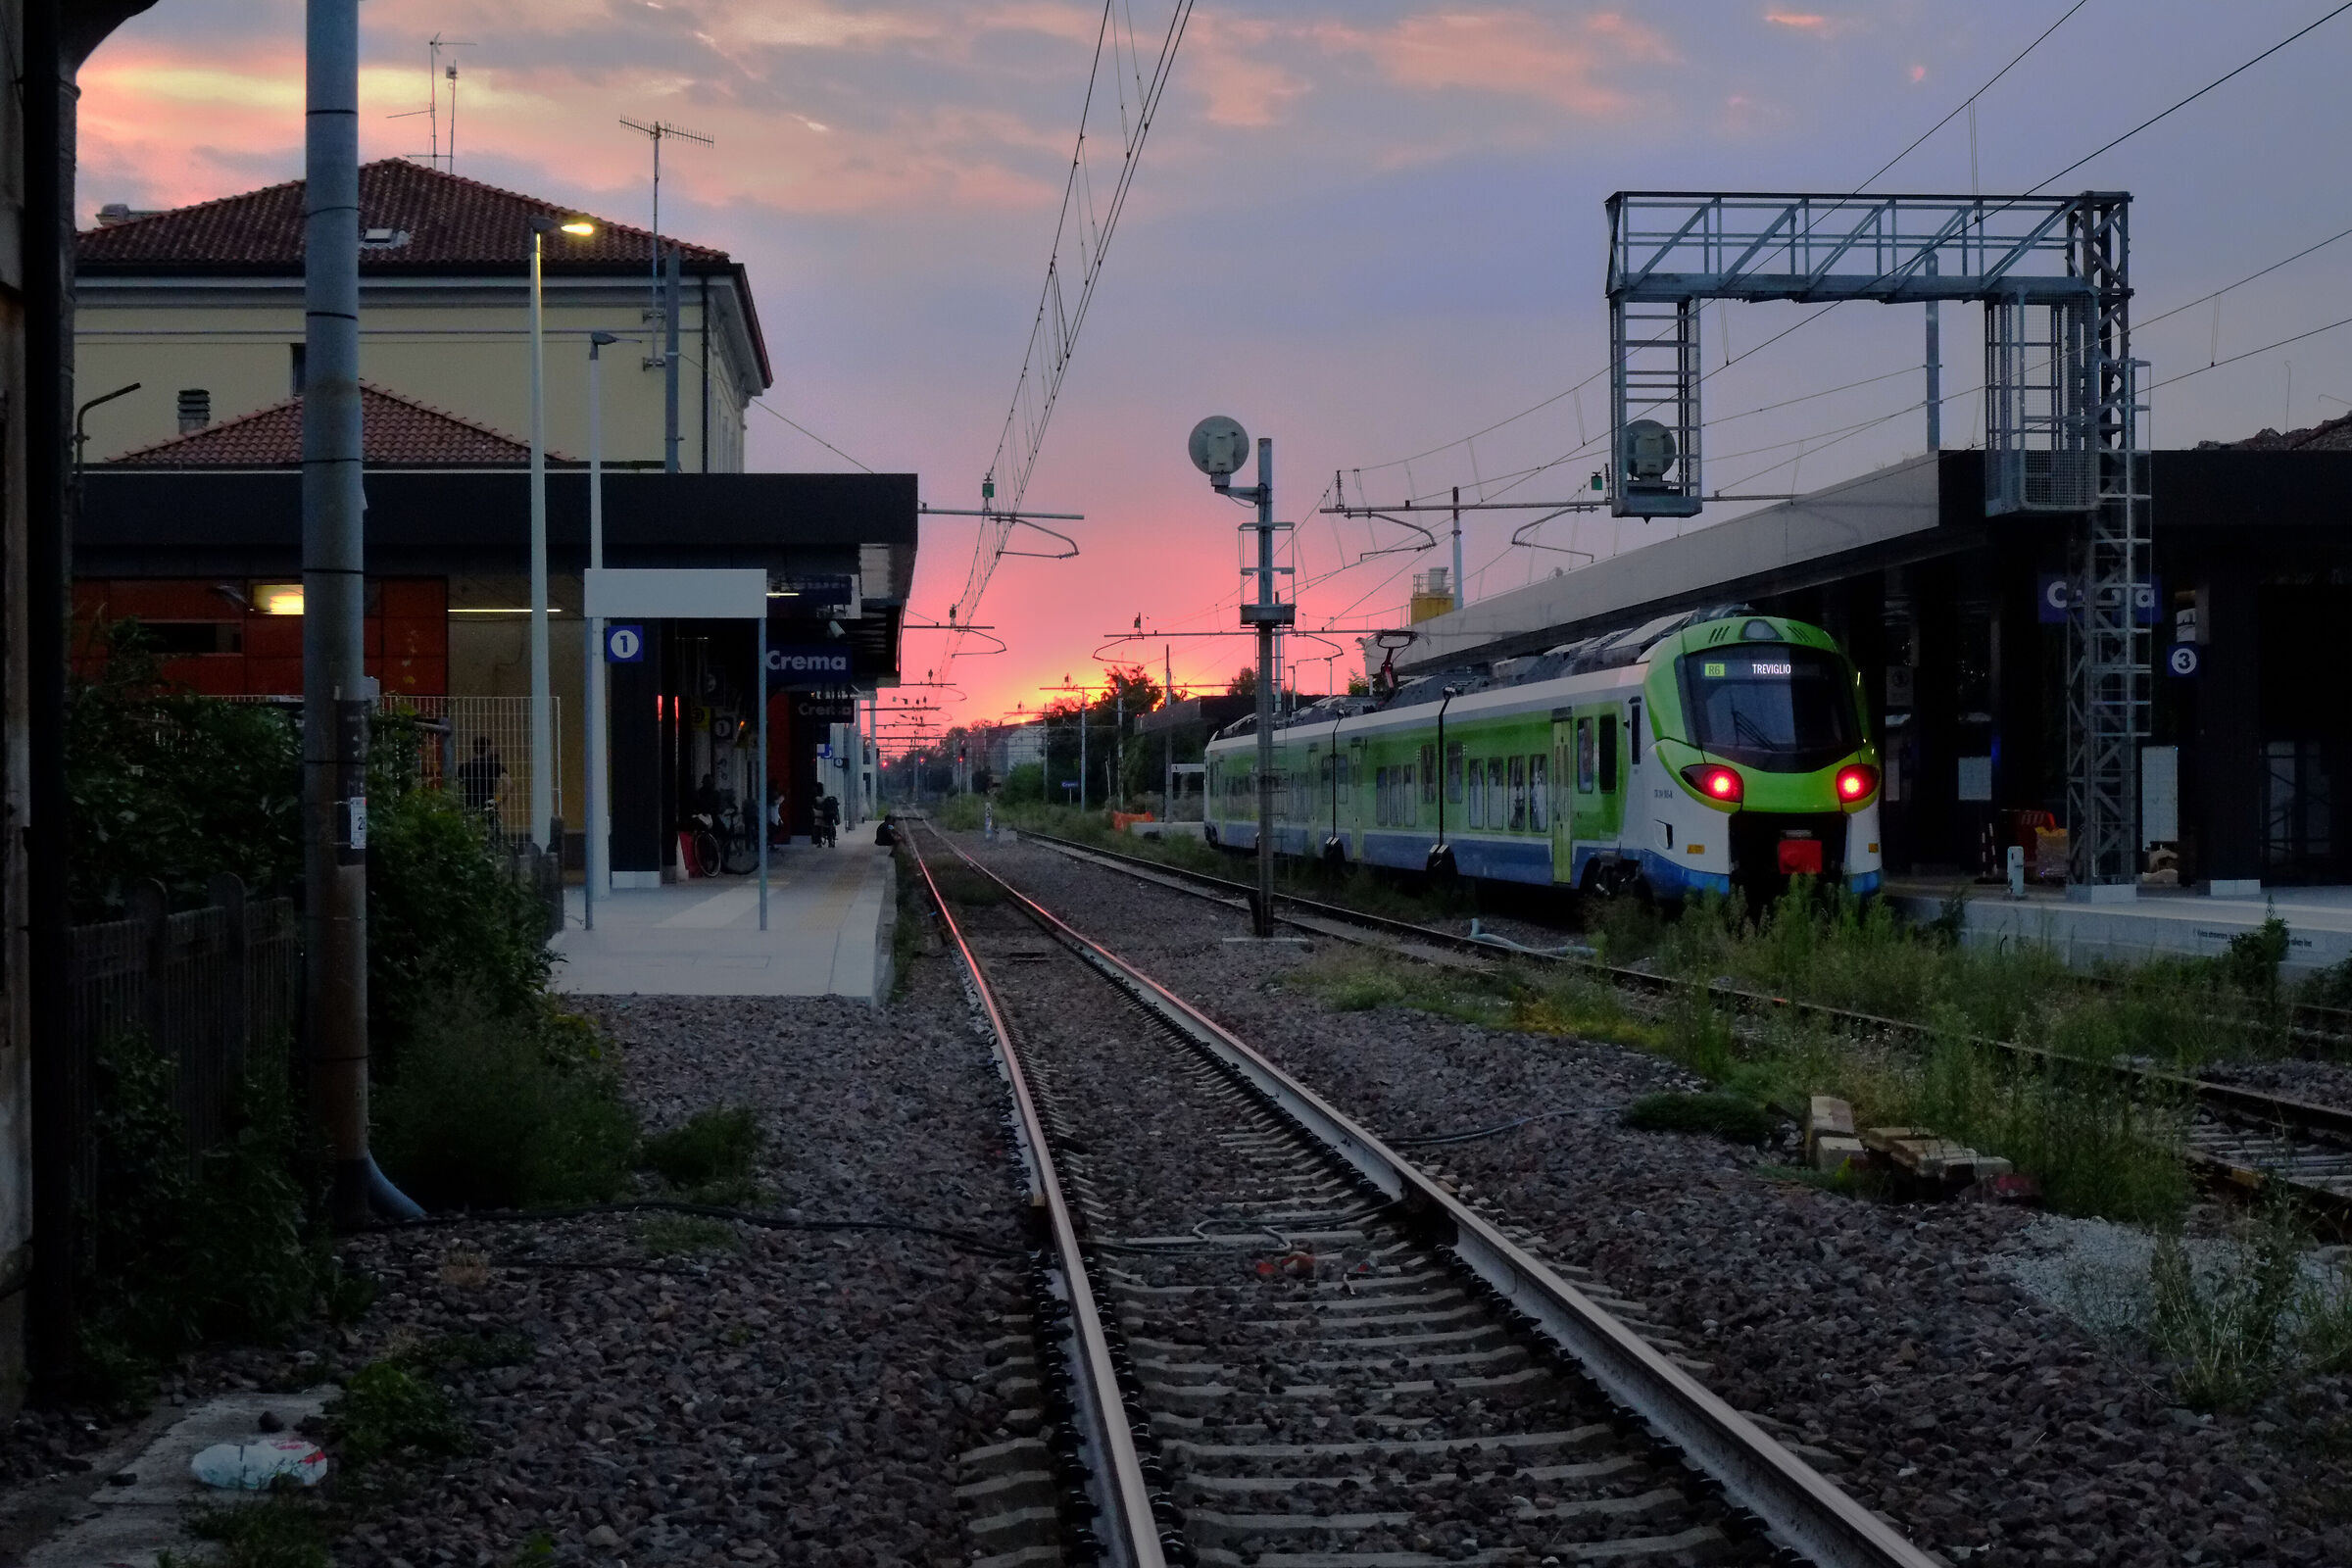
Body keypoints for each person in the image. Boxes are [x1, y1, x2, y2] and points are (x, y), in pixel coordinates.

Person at [455, 735, 509, 826]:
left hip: (471, 807)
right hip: (489, 807)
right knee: (492, 831)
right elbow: (509, 785)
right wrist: (498, 800)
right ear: (488, 749)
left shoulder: (464, 767)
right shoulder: (494, 766)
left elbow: (457, 788)